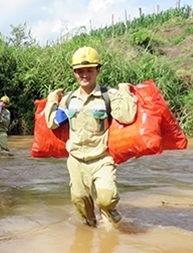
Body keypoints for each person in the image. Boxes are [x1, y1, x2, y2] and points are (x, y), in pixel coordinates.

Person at [43, 46, 137, 227]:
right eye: (79, 71)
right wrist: (52, 100)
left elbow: (127, 116)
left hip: (102, 158)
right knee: (79, 201)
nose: (84, 74)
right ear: (74, 73)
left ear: (98, 70)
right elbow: (53, 122)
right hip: (77, 159)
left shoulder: (108, 96)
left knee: (106, 198)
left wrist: (124, 92)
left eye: (89, 70)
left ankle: (109, 214)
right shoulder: (69, 100)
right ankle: (90, 229)